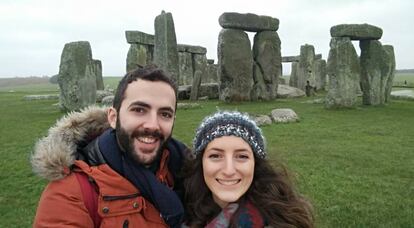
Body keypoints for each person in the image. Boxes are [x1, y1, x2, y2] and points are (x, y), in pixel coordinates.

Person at [31, 65, 190, 228]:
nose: (152, 125)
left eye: (165, 114)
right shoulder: (69, 194)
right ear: (113, 118)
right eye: (139, 110)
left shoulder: (187, 170)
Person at [183, 111, 314, 227]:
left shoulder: (280, 221)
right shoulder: (182, 209)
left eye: (241, 156)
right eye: (215, 156)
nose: (229, 170)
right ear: (201, 163)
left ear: (255, 164)